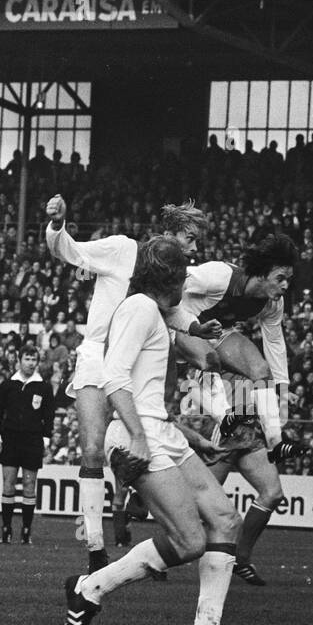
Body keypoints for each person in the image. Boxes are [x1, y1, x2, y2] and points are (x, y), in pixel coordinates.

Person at [62, 236, 243, 625]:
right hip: (137, 432)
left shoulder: (155, 309)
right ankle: (89, 589)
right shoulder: (139, 309)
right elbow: (114, 379)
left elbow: (173, 322)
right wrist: (140, 438)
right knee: (189, 542)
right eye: (183, 275)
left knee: (225, 518)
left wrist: (195, 328)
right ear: (172, 279)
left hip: (161, 430)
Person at [45, 194, 217, 572]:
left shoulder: (171, 273)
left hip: (136, 364)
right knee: (91, 449)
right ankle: (95, 549)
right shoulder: (123, 249)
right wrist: (58, 226)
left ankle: (151, 532)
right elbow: (71, 252)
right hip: (98, 354)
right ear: (170, 232)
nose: (194, 247)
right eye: (189, 238)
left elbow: (171, 309)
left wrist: (194, 327)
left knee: (142, 445)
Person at [166, 233, 306, 461]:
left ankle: (276, 443)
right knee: (209, 358)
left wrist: (282, 386)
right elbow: (172, 281)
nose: (285, 285)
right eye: (280, 278)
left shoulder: (273, 304)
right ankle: (224, 417)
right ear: (263, 272)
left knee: (261, 371)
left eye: (288, 280)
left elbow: (275, 342)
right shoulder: (220, 276)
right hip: (182, 326)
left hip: (218, 332)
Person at [176, 374, 287, 587]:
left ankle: (240, 559)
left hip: (249, 429)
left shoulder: (249, 349)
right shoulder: (216, 344)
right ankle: (163, 553)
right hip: (224, 427)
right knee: (197, 502)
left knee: (272, 494)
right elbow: (199, 378)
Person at [0, 344, 54, 544]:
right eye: (27, 359)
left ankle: (26, 530)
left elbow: (49, 415)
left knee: (29, 485)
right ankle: (6, 528)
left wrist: (45, 438)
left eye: (34, 359)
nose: (30, 363)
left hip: (32, 441)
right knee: (8, 484)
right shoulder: (8, 385)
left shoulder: (43, 386)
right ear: (19, 360)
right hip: (10, 439)